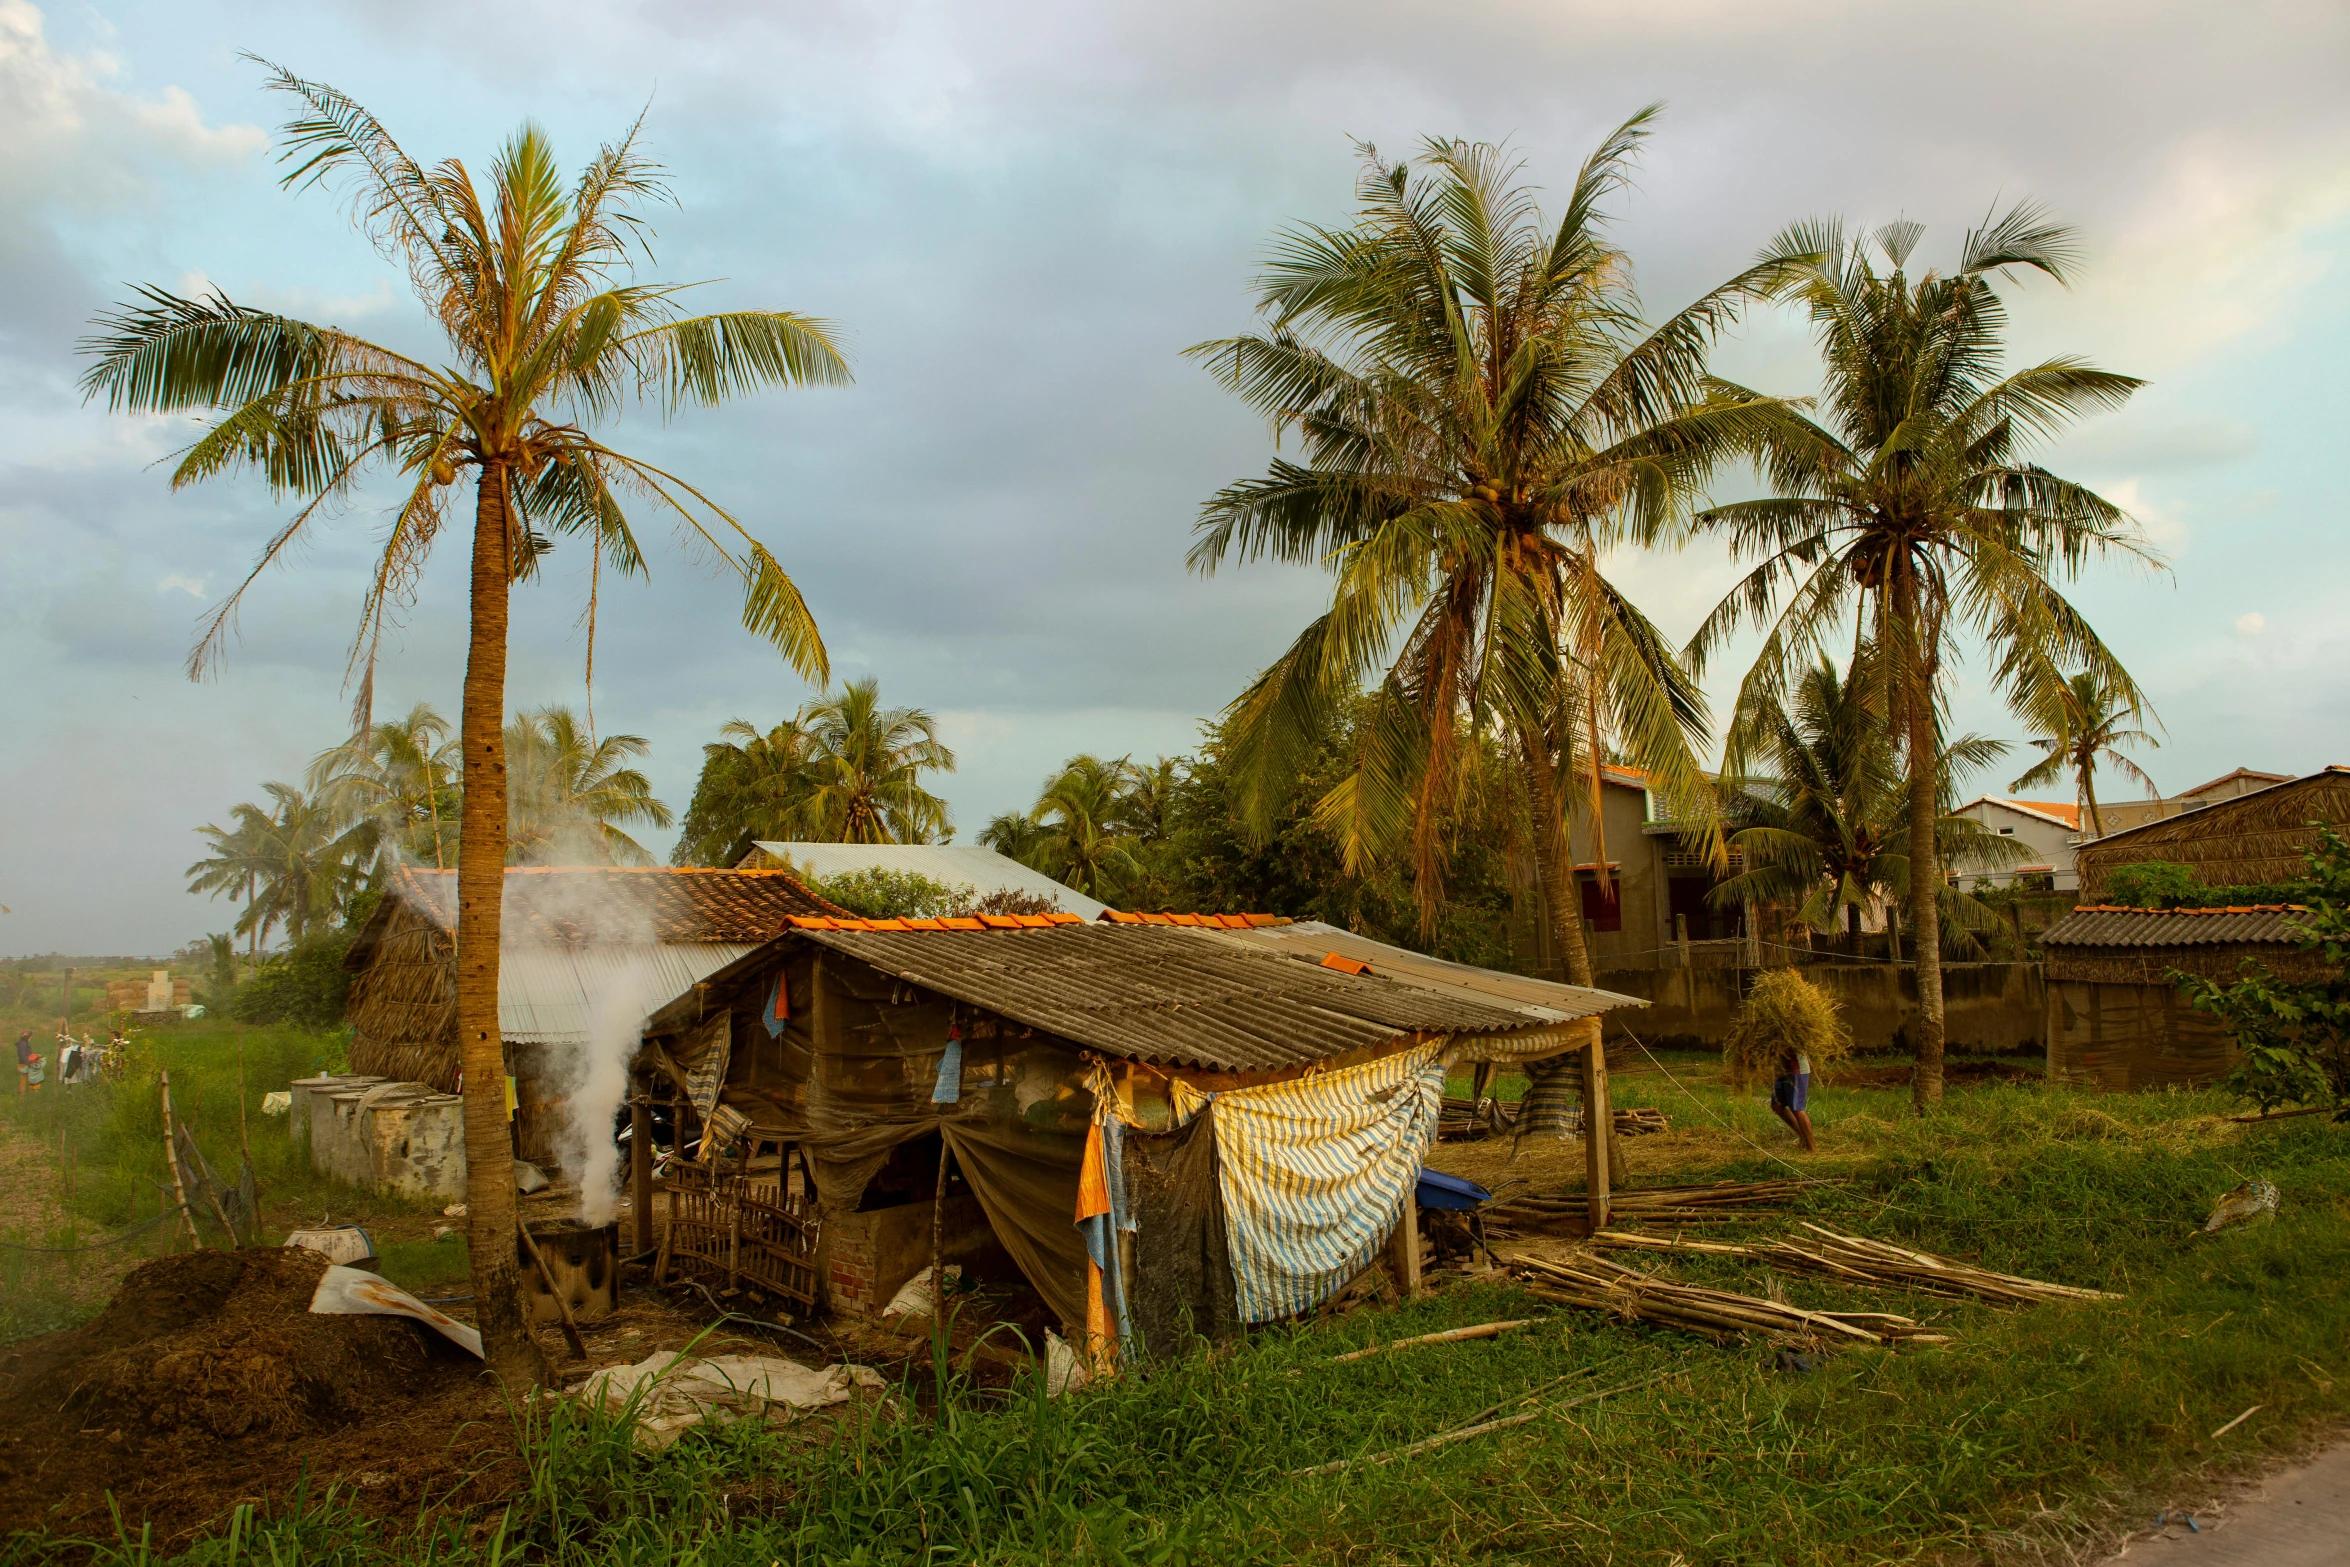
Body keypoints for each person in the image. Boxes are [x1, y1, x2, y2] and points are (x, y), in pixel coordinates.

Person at [1770, 1046, 1817, 1153]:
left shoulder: (1793, 1034)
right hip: (1781, 1070)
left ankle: (1812, 1147)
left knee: (1796, 1108)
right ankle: (1803, 1137)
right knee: (1777, 1105)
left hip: (1797, 1070)